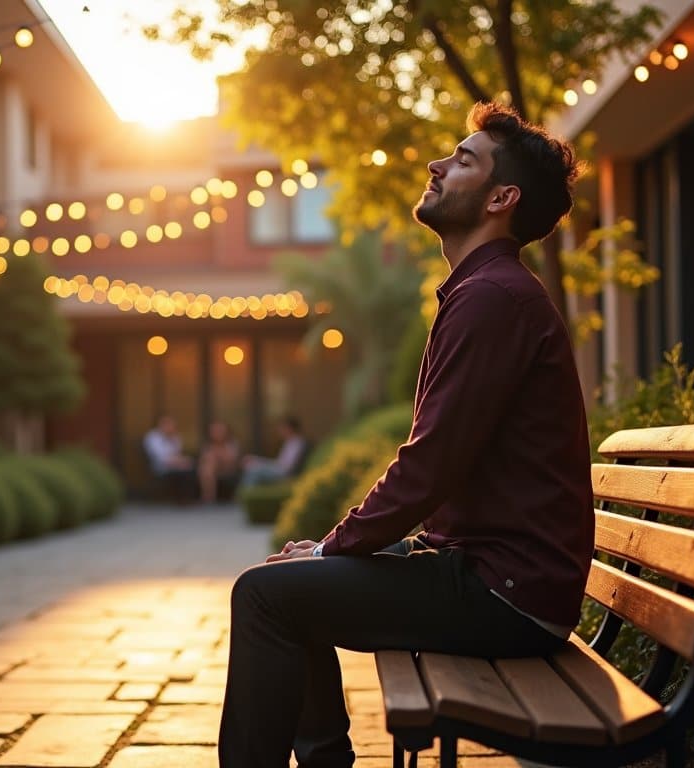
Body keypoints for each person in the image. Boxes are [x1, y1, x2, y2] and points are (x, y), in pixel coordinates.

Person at [218, 102, 594, 768]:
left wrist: (336, 547)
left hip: (505, 596)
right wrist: (332, 553)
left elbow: (431, 465)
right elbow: (443, 468)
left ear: (501, 198)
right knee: (283, 581)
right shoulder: (485, 291)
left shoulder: (493, 299)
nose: (437, 164)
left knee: (265, 598)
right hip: (493, 577)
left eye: (464, 160)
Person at [238, 416, 307, 489]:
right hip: (281, 470)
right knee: (252, 465)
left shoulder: (296, 443)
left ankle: (245, 496)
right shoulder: (289, 442)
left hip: (285, 474)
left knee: (253, 470)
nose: (279, 431)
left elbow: (285, 467)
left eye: (282, 428)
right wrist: (257, 460)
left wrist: (258, 463)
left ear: (289, 428)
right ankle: (245, 495)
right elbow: (280, 463)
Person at [142, 415, 195, 495]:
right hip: (159, 467)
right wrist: (181, 462)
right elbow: (161, 458)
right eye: (169, 425)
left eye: (173, 425)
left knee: (191, 467)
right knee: (185, 469)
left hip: (176, 465)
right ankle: (181, 497)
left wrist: (183, 461)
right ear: (161, 425)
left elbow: (178, 454)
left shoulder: (175, 437)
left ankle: (188, 497)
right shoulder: (153, 437)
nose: (172, 428)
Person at [198, 420, 243, 503]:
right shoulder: (208, 445)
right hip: (213, 469)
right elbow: (204, 459)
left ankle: (208, 497)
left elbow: (233, 460)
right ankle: (209, 497)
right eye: (214, 431)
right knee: (207, 468)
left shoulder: (232, 444)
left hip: (230, 468)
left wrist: (218, 456)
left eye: (219, 431)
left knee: (208, 468)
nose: (217, 433)